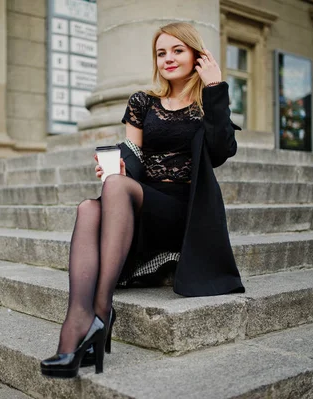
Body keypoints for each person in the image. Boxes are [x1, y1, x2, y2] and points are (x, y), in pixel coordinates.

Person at [40, 22, 245, 379]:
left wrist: (214, 87)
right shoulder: (143, 101)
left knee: (114, 190)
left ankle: (99, 312)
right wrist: (119, 163)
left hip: (183, 209)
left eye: (177, 50)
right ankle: (81, 323)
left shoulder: (207, 101)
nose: (168, 58)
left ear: (197, 54)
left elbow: (221, 151)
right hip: (141, 204)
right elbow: (134, 151)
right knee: (89, 206)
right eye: (161, 52)